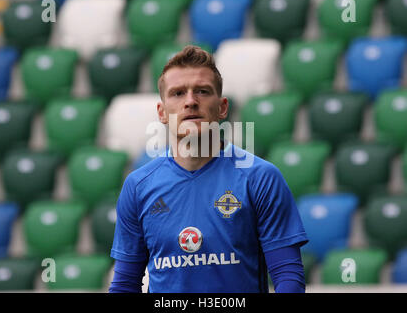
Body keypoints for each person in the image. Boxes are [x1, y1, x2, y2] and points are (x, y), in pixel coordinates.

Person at [109, 45, 308, 293]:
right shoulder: (138, 186)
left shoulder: (260, 178)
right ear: (162, 112)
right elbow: (125, 285)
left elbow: (288, 277)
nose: (190, 101)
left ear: (223, 107)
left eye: (202, 91)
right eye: (178, 93)